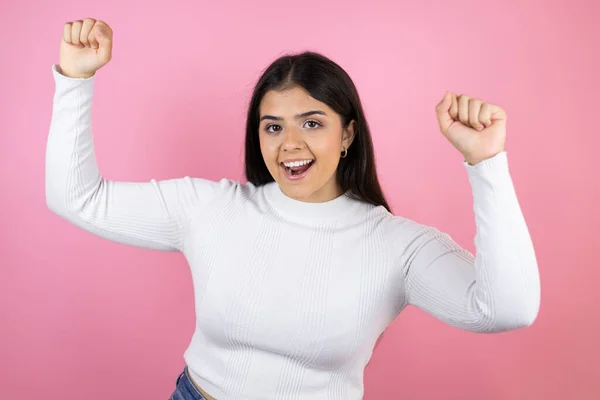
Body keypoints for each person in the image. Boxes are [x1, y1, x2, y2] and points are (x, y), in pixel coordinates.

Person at [46, 18, 540, 400]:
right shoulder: (209, 207)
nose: (290, 145)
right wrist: (74, 79)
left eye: (312, 123)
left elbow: (506, 309)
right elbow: (77, 198)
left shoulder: (399, 246)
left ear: (348, 133)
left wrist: (486, 163)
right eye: (274, 127)